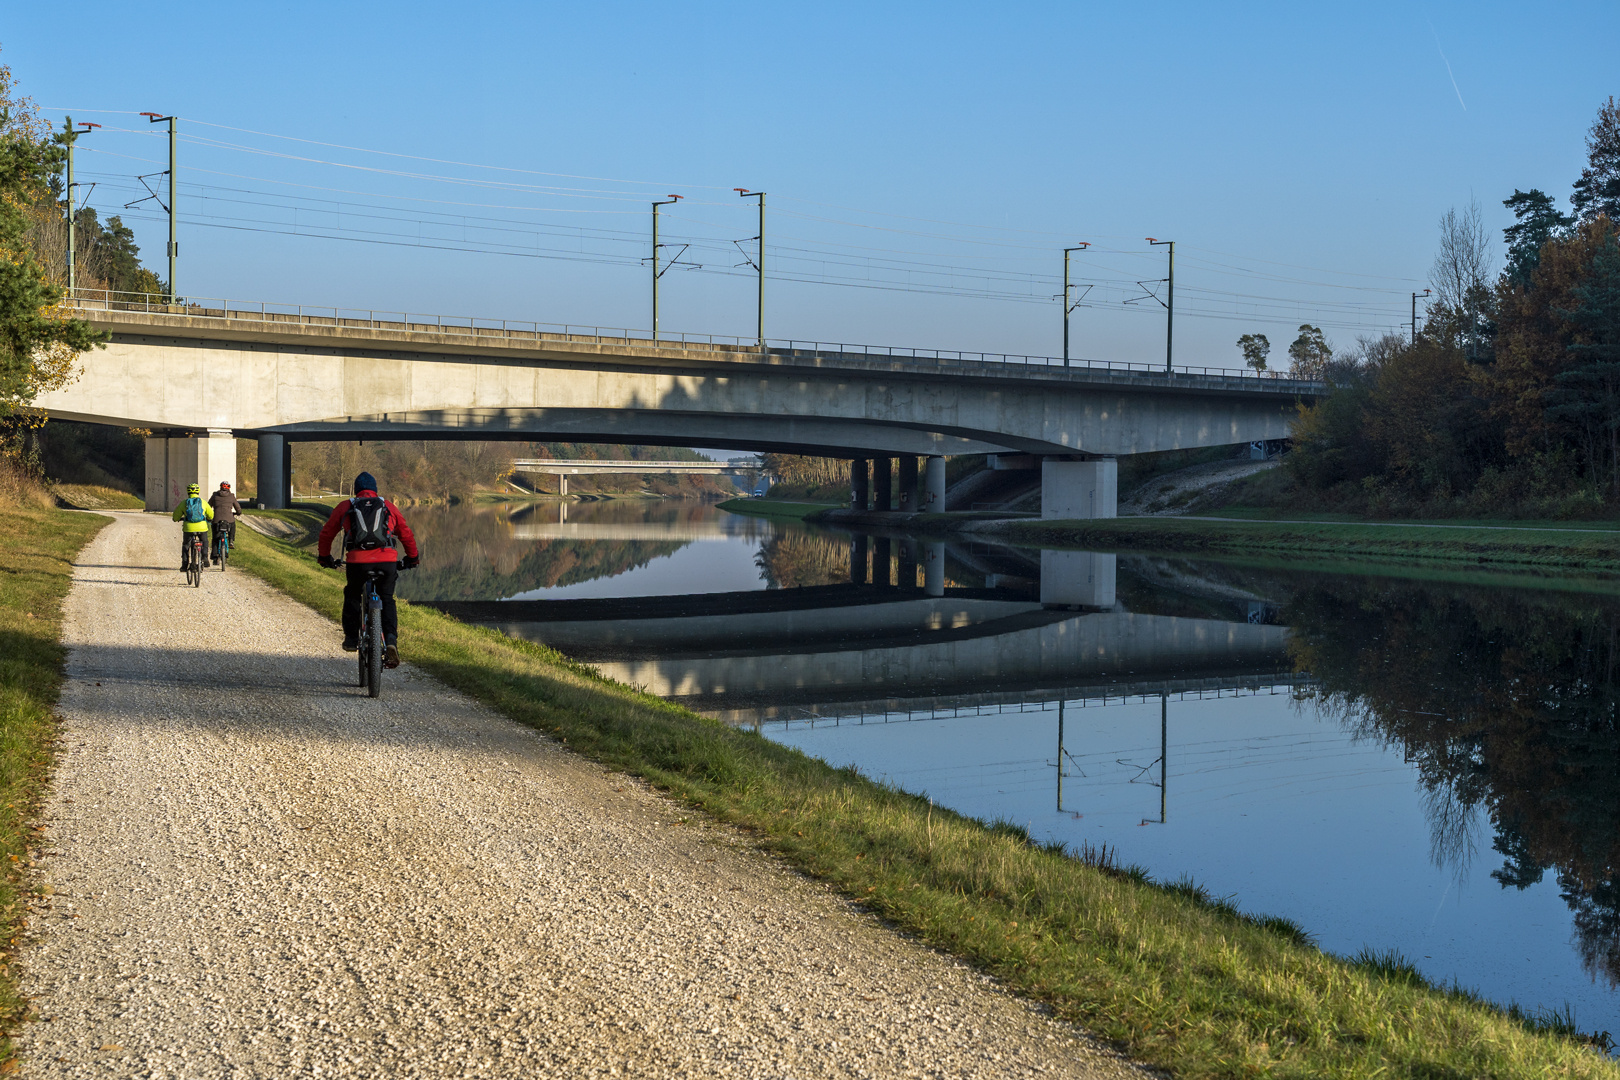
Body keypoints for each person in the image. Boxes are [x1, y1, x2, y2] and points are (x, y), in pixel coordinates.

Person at [316, 471, 420, 669]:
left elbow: (327, 533)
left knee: (353, 593)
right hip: (387, 562)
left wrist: (324, 557)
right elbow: (406, 533)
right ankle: (390, 641)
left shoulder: (347, 506)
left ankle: (351, 639)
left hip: (357, 563)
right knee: (387, 598)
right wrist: (412, 558)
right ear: (375, 490)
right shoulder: (387, 506)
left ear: (356, 491)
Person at [171, 482, 214, 570]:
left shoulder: (184, 503)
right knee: (204, 541)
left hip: (188, 528)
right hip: (202, 527)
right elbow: (211, 515)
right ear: (198, 492)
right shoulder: (203, 502)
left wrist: (177, 519)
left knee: (186, 545)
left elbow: (175, 517)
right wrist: (208, 518)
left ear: (188, 492)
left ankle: (184, 565)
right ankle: (205, 558)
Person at [208, 481, 242, 560]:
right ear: (229, 488)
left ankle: (214, 555)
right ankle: (231, 540)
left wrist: (209, 515)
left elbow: (208, 506)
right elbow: (238, 508)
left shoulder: (215, 495)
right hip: (229, 519)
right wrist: (238, 513)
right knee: (233, 524)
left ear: (220, 487)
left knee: (215, 537)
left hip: (216, 519)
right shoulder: (231, 496)